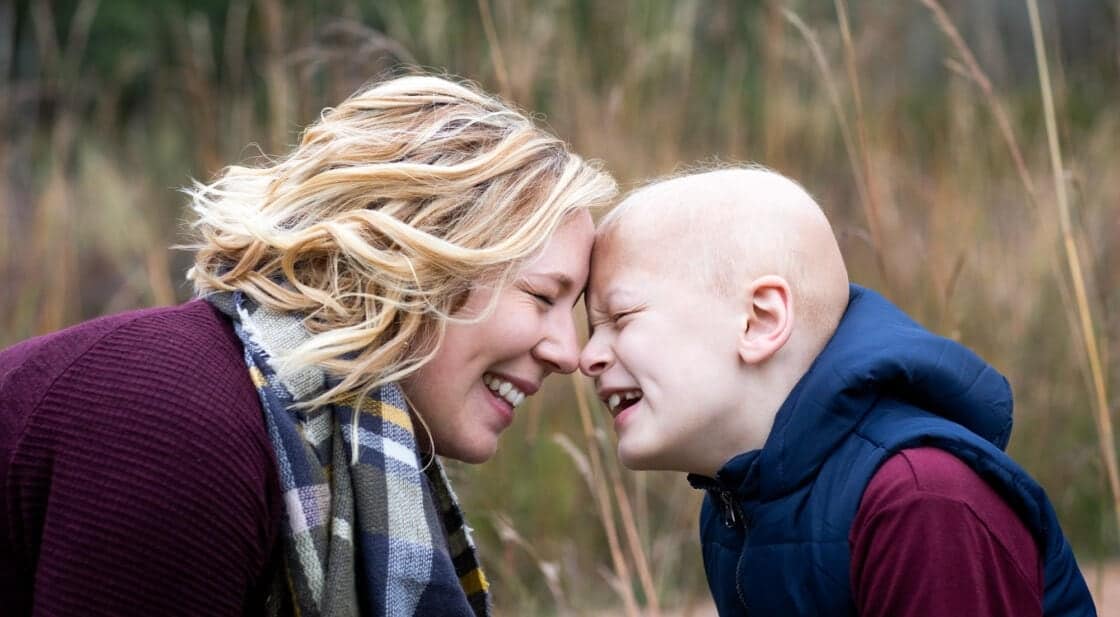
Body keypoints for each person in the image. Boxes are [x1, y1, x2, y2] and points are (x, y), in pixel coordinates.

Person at [0, 74, 617, 616]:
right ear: (415, 262)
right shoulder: (179, 429)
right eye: (542, 296)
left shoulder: (311, 438)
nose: (568, 352)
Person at [578, 166, 1095, 616]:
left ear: (760, 320)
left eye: (620, 317)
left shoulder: (918, 499)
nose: (588, 357)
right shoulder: (735, 507)